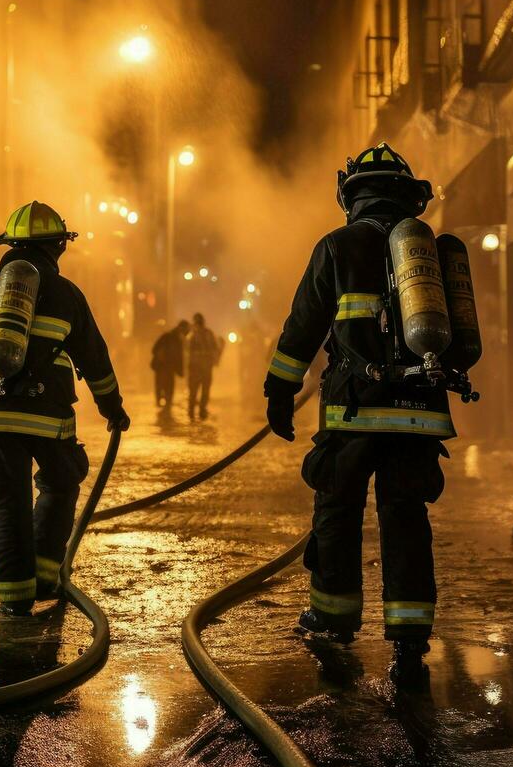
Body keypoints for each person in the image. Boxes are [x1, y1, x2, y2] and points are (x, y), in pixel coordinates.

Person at [264, 143, 453, 681]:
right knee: (406, 518)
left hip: (354, 414)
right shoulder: (429, 255)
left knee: (337, 512)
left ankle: (333, 617)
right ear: (407, 197)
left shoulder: (338, 246)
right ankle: (411, 642)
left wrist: (280, 390)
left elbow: (303, 325)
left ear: (350, 196)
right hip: (419, 416)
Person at [0, 201, 130, 616]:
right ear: (58, 247)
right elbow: (94, 359)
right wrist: (112, 408)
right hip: (45, 413)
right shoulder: (66, 294)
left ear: (10, 245)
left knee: (7, 499)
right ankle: (46, 574)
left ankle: (14, 598)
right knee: (61, 483)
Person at [186, 312, 222, 421]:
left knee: (194, 390)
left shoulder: (193, 334)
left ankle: (193, 412)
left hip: (197, 367)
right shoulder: (208, 333)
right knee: (203, 390)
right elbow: (216, 348)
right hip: (204, 367)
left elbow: (187, 351)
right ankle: (200, 411)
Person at [150, 320, 189, 410]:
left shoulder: (169, 336)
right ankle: (165, 408)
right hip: (165, 367)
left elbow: (154, 349)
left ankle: (163, 407)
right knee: (167, 387)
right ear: (181, 329)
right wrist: (180, 370)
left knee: (161, 386)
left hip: (162, 367)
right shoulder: (173, 338)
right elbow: (178, 357)